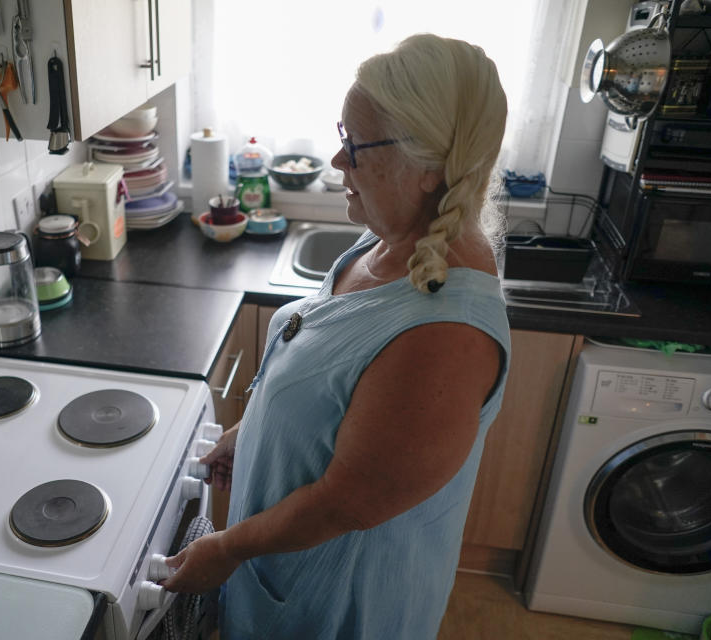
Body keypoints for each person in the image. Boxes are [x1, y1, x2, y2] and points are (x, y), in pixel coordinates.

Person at [162, 33, 511, 639]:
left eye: (355, 145)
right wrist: (251, 431)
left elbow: (346, 502)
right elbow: (329, 375)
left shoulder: (445, 335)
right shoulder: (391, 240)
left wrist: (227, 549)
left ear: (427, 167)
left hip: (336, 606)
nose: (337, 161)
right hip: (285, 569)